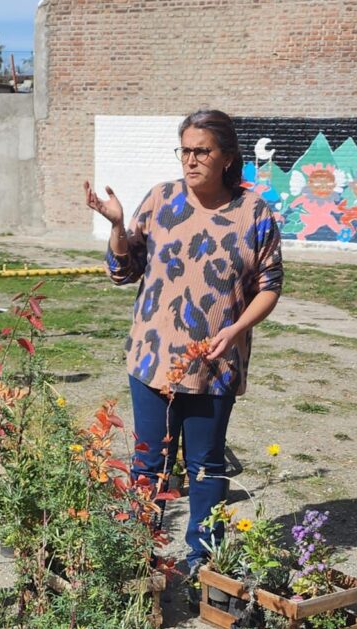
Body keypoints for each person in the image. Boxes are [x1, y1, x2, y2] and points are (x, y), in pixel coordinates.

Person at [84, 108, 283, 578]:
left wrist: (236, 330)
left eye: (202, 151)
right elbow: (122, 271)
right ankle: (138, 557)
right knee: (148, 464)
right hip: (153, 358)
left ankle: (204, 562)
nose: (190, 160)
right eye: (185, 150)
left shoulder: (254, 213)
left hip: (216, 365)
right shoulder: (161, 200)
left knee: (207, 466)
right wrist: (116, 227)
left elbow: (270, 285)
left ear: (227, 157)